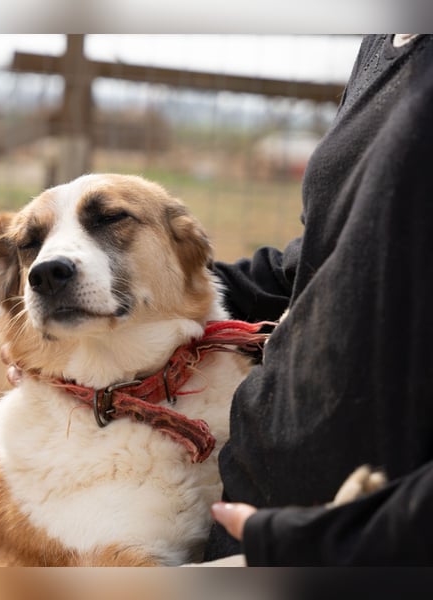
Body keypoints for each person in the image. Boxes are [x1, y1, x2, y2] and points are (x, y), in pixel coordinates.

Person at [204, 33, 433, 565]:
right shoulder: (387, 38)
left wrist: (350, 537)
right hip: (258, 511)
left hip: (366, 546)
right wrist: (133, 303)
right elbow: (328, 252)